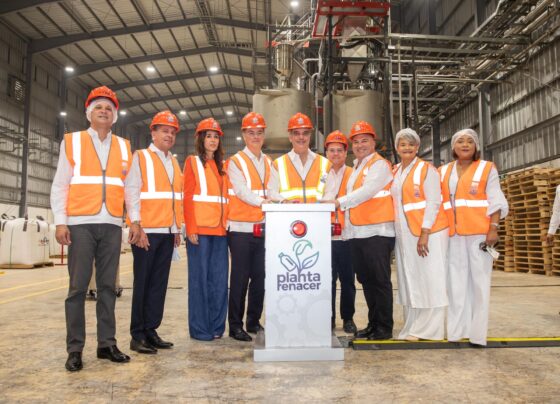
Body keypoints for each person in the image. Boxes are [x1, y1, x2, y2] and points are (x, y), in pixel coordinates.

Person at [51, 86, 132, 372]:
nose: (104, 111)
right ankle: (75, 349)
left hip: (111, 224)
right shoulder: (72, 141)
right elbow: (61, 184)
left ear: (115, 116)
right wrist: (60, 221)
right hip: (80, 224)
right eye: (98, 107)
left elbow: (130, 187)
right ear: (89, 113)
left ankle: (106, 344)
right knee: (77, 289)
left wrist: (133, 220)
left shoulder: (124, 146)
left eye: (109, 108)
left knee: (108, 288)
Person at [323, 120, 395, 340]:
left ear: (373, 142)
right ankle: (373, 324)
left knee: (380, 281)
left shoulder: (379, 165)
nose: (360, 145)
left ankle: (384, 327)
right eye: (356, 142)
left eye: (365, 140)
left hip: (377, 232)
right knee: (367, 281)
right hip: (359, 233)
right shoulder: (358, 167)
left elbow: (367, 191)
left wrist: (338, 202)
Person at [440, 128, 508, 346]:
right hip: (453, 235)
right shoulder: (443, 171)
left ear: (476, 146)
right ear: (453, 147)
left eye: (470, 141)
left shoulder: (487, 168)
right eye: (460, 141)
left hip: (480, 234)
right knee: (455, 284)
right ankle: (456, 332)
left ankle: (477, 335)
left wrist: (493, 228)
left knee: (479, 284)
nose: (465, 145)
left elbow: (496, 200)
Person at [125, 111, 183, 354]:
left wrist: (177, 228)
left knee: (159, 285)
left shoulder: (173, 162)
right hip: (146, 232)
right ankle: (137, 335)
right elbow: (131, 191)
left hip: (167, 232)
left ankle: (151, 330)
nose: (169, 135)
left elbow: (176, 198)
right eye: (164, 131)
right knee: (143, 284)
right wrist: (136, 224)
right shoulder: (141, 157)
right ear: (153, 133)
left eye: (172, 132)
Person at [391, 128, 449, 341]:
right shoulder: (396, 171)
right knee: (410, 279)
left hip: (428, 232)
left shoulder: (427, 170)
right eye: (402, 144)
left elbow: (433, 202)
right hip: (405, 234)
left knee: (430, 279)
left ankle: (430, 330)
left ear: (417, 147)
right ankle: (412, 326)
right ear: (397, 148)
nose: (406, 148)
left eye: (411, 144)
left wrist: (425, 232)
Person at [226, 112, 271, 342]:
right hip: (241, 229)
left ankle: (253, 321)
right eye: (251, 133)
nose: (255, 136)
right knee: (240, 279)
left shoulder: (269, 162)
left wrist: (283, 201)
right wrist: (264, 203)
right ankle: (235, 325)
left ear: (264, 135)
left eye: (259, 132)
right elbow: (242, 191)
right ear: (244, 135)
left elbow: (273, 190)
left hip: (263, 228)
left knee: (260, 278)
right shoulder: (235, 162)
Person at [183, 117, 229, 341]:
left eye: (216, 137)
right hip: (200, 231)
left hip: (221, 232)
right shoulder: (192, 162)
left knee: (219, 281)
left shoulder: (223, 167)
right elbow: (187, 196)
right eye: (208, 136)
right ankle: (200, 329)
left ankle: (217, 326)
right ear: (201, 139)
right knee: (199, 281)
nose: (212, 140)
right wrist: (190, 227)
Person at [322, 130, 357, 334]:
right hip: (324, 237)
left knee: (347, 281)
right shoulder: (320, 175)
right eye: (331, 150)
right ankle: (328, 318)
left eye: (339, 150)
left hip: (346, 235)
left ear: (345, 153)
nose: (335, 154)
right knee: (327, 281)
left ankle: (348, 318)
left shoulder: (353, 174)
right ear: (326, 152)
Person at [269, 112, 331, 203]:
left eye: (305, 133)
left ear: (310, 136)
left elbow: (330, 191)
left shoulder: (325, 164)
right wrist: (284, 201)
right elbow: (271, 192)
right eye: (296, 133)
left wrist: (322, 204)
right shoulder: (278, 164)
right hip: (288, 212)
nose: (301, 137)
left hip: (318, 212)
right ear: (290, 137)